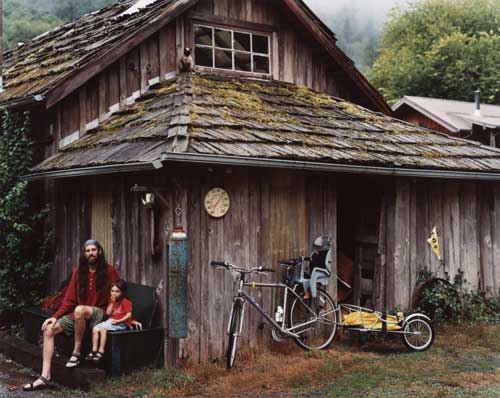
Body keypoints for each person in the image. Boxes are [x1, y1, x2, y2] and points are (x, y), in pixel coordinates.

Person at [23, 239, 119, 391]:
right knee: (48, 330)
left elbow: (119, 295)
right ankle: (45, 376)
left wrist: (116, 314)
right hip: (78, 314)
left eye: (93, 250)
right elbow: (69, 300)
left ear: (99, 251)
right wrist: (54, 317)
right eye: (87, 251)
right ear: (84, 254)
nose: (91, 253)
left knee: (80, 309)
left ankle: (76, 352)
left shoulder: (110, 271)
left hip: (99, 313)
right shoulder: (77, 272)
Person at [87, 279, 133, 364]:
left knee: (103, 329)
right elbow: (108, 313)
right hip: (111, 321)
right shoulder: (113, 301)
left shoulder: (125, 302)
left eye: (117, 291)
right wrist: (112, 302)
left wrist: (119, 321)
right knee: (95, 328)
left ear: (122, 292)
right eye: (112, 291)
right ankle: (94, 350)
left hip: (121, 324)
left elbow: (129, 315)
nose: (114, 293)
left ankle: (101, 351)